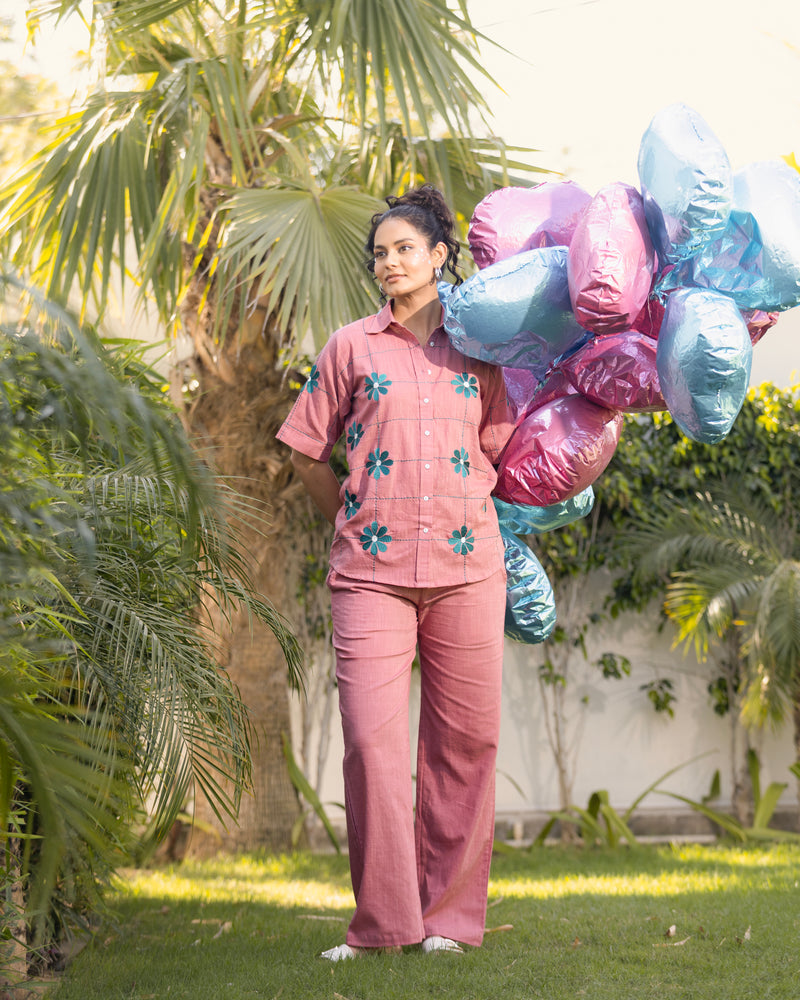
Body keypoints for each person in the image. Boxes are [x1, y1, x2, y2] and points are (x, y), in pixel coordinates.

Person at [276, 185, 515, 960]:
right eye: (380, 252)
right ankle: (383, 925)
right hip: (370, 574)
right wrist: (349, 516)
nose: (390, 262)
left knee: (465, 745)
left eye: (405, 248)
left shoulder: (483, 348)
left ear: (440, 255)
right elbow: (304, 449)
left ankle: (448, 921)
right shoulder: (349, 347)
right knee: (371, 748)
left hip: (467, 569)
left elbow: (508, 453)